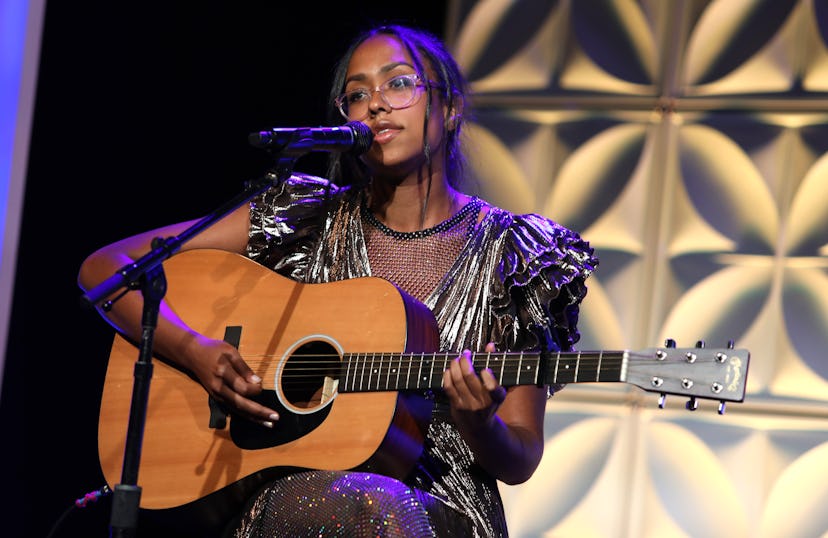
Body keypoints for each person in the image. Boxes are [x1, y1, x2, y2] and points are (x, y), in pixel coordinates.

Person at [78, 23, 597, 537]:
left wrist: (480, 423)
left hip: (444, 509)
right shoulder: (307, 217)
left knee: (377, 509)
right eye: (356, 94)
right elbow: (104, 270)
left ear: (450, 106)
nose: (375, 104)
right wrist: (193, 349)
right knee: (347, 503)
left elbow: (521, 456)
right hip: (295, 497)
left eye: (398, 83)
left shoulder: (518, 254)